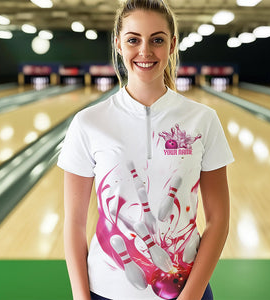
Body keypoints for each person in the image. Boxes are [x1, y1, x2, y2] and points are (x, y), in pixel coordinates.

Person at [57, 0, 234, 299]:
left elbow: (219, 219)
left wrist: (190, 296)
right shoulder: (88, 123)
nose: (145, 51)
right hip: (104, 291)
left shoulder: (203, 120)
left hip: (186, 290)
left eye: (157, 40)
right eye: (133, 40)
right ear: (118, 43)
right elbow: (74, 223)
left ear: (173, 44)